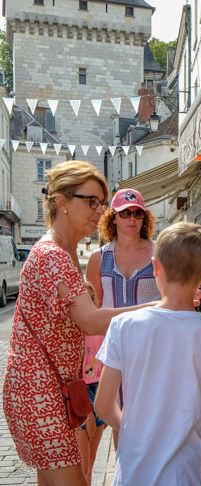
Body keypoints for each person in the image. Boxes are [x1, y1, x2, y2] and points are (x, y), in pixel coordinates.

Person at [2, 161, 157, 486]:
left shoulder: (66, 251)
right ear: (62, 201)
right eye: (91, 201)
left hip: (51, 388)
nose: (100, 210)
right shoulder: (53, 256)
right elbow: (89, 320)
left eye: (102, 202)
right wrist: (162, 307)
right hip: (40, 390)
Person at [95, 222, 201, 486]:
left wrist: (133, 432)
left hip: (133, 472)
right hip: (187, 474)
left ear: (155, 266)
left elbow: (103, 405)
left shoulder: (124, 326)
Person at [85, 188, 161, 453]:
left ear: (144, 218)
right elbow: (94, 307)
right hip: (113, 350)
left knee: (150, 417)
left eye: (137, 213)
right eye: (125, 213)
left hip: (151, 349)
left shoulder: (158, 254)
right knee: (118, 417)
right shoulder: (98, 258)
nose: (132, 218)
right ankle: (125, 473)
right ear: (113, 219)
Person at [77, 282, 106, 486]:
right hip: (81, 392)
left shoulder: (102, 330)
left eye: (92, 300)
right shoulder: (73, 333)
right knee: (82, 465)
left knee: (93, 459)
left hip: (99, 389)